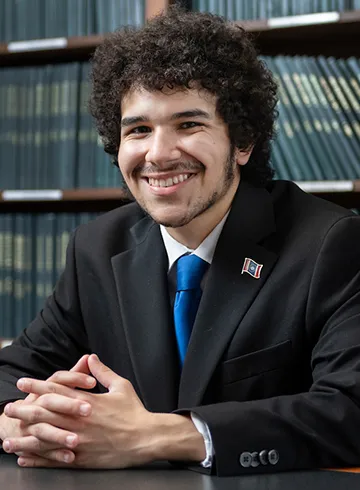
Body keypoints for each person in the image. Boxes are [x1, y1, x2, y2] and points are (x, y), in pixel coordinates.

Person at [1, 6, 360, 477]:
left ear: (243, 141)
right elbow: (12, 374)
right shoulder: (98, 247)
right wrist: (19, 421)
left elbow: (348, 410)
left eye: (189, 125)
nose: (159, 154)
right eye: (139, 130)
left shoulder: (331, 244)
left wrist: (159, 434)